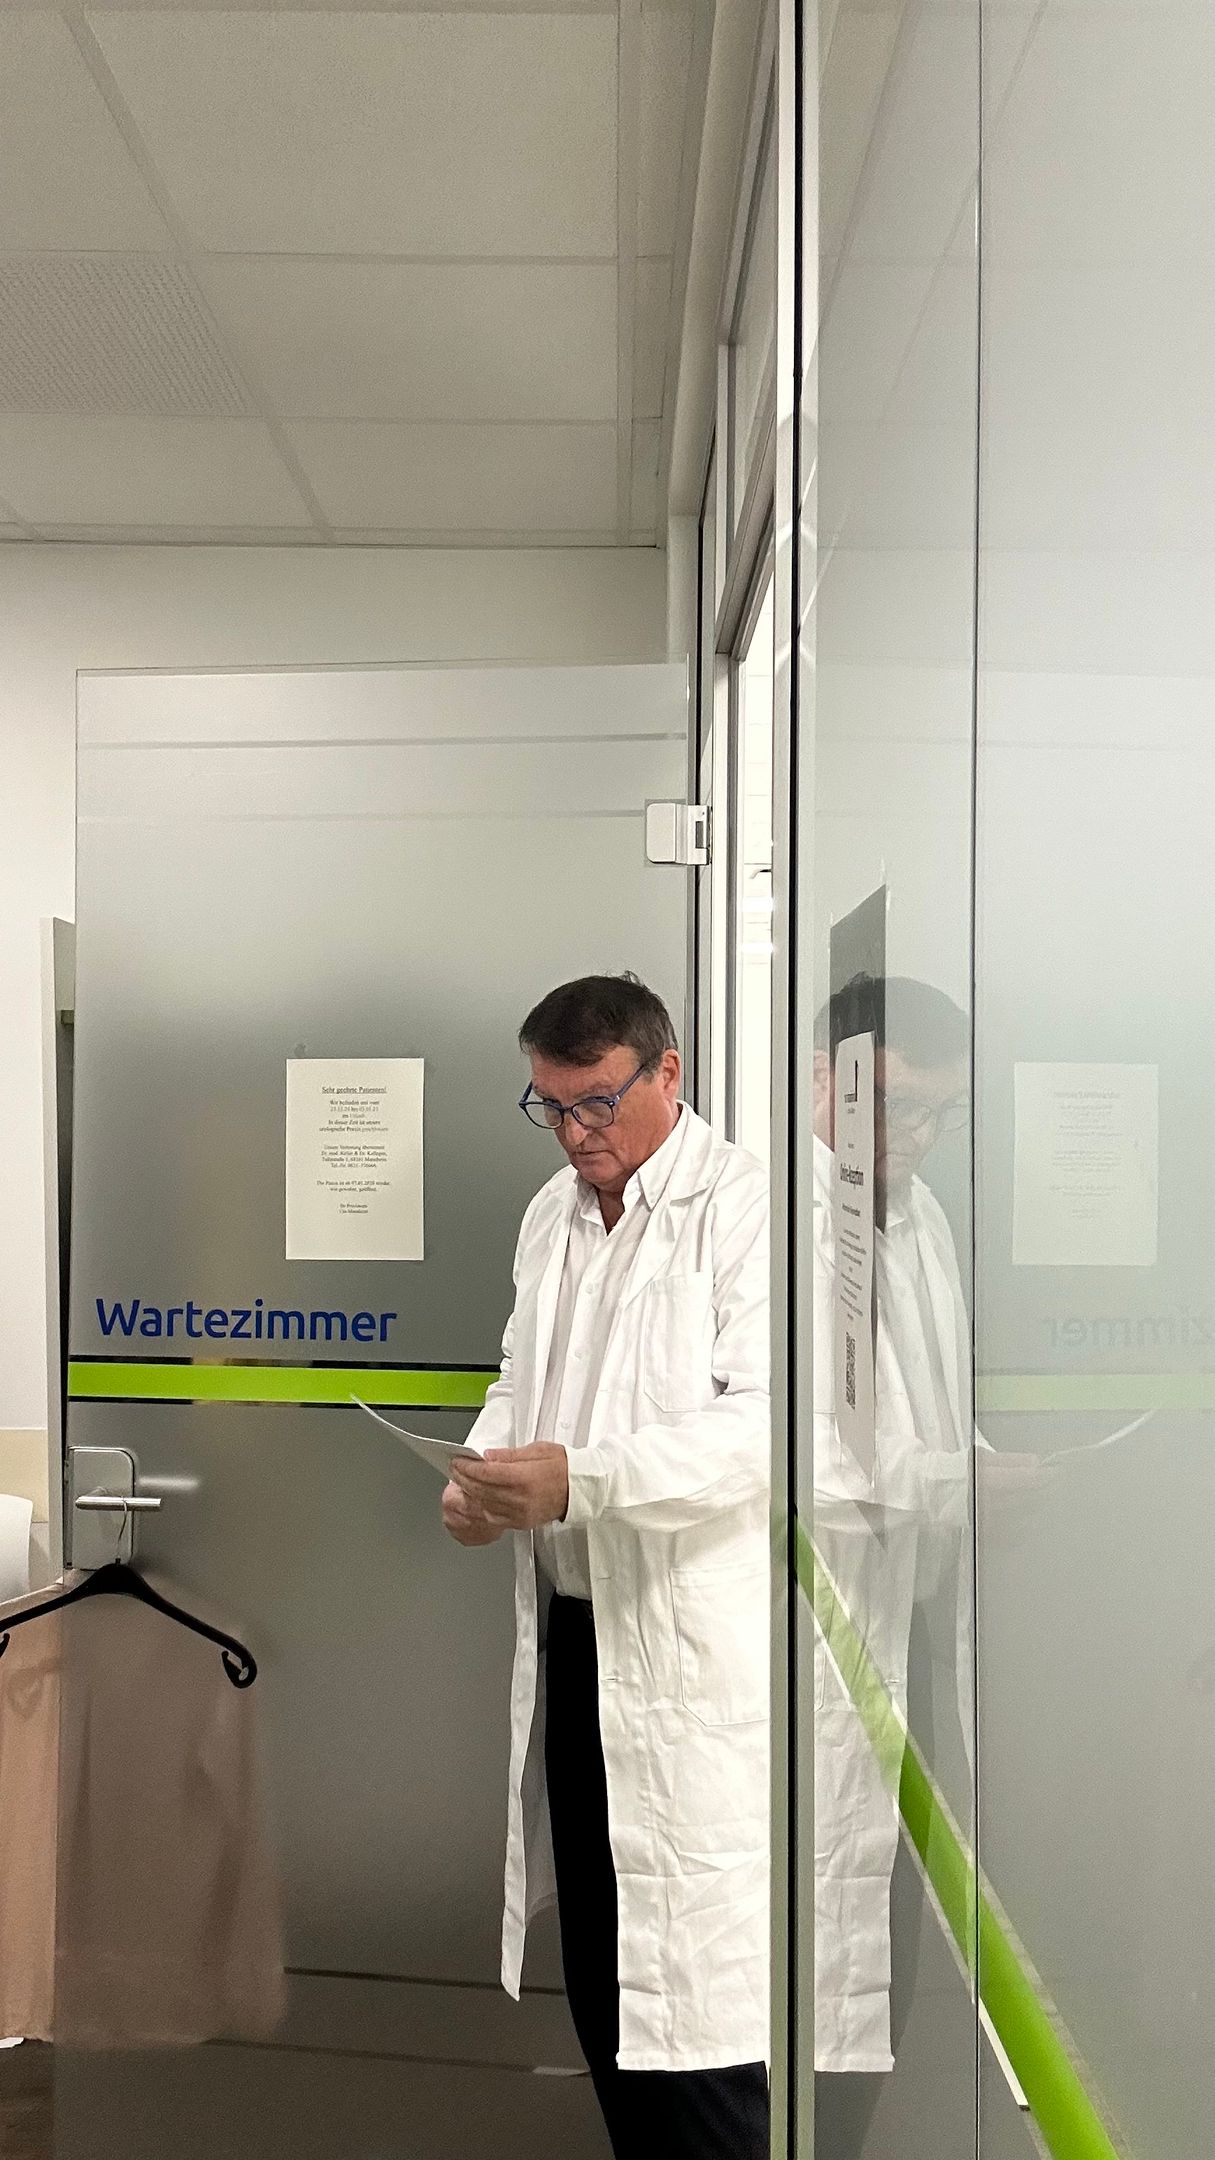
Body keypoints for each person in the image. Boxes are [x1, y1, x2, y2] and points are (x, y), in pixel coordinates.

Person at [443, 974, 770, 2160]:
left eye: (595, 1102)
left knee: (693, 1997)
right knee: (604, 1973)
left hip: (687, 1652)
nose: (576, 1133)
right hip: (576, 1636)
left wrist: (583, 1481)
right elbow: (518, 1377)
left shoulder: (750, 1207)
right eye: (550, 1106)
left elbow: (767, 1428)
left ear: (666, 1073)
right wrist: (481, 1473)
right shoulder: (553, 1214)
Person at [810, 973, 1038, 2117]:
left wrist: (982, 1464)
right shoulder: (779, 1225)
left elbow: (931, 1398)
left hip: (909, 1628)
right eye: (897, 1105)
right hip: (822, 1640)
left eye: (943, 1112)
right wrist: (957, 1485)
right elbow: (803, 1449)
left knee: (890, 1935)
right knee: (817, 1950)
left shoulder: (922, 1214)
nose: (920, 1137)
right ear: (826, 1079)